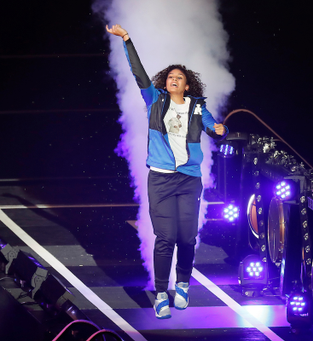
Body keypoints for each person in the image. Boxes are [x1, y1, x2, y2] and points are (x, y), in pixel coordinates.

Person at [105, 24, 228, 319]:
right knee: (166, 237)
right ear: (165, 82)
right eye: (170, 76)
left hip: (189, 180)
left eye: (179, 77)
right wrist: (126, 39)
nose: (174, 79)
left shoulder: (197, 108)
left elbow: (214, 128)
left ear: (187, 86)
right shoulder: (155, 101)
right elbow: (138, 74)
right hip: (160, 179)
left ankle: (183, 284)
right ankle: (162, 293)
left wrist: (222, 130)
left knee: (187, 238)